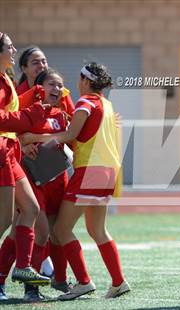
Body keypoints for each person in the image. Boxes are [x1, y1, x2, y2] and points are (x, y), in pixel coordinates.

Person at [21, 62, 130, 300]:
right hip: (109, 171)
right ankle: (118, 282)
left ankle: (83, 282)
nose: (76, 84)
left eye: (80, 79)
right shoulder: (108, 105)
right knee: (97, 230)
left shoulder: (85, 102)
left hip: (90, 170)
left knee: (60, 229)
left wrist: (33, 137)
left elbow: (70, 135)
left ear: (87, 81)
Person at [0, 68, 72, 301]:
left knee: (37, 232)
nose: (56, 89)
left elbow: (67, 137)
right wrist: (25, 141)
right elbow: (13, 133)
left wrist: (34, 138)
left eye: (59, 85)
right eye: (51, 84)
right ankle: (14, 281)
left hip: (52, 178)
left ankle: (31, 285)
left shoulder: (60, 113)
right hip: (29, 175)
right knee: (33, 228)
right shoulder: (26, 105)